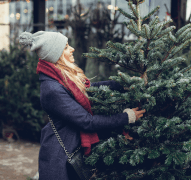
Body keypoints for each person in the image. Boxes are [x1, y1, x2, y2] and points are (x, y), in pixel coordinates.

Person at [19, 31, 146, 180]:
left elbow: (89, 89)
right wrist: (126, 117)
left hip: (72, 148)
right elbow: (87, 122)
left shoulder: (62, 77)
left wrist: (123, 84)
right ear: (56, 55)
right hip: (60, 157)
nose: (72, 48)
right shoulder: (52, 89)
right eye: (66, 47)